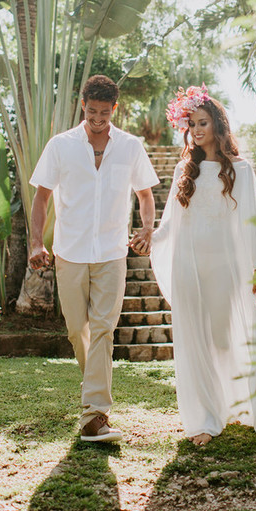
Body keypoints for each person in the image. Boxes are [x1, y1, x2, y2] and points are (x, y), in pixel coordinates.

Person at [149, 85, 256, 446]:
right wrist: (149, 238)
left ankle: (241, 405)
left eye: (203, 123)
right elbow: (169, 222)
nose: (196, 130)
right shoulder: (186, 170)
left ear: (218, 125)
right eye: (191, 124)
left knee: (224, 340)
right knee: (193, 342)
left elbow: (254, 224)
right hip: (188, 266)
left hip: (224, 270)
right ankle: (204, 419)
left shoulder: (241, 172)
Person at [29, 75, 159, 443]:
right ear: (82, 105)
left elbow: (146, 195)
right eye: (92, 111)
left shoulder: (131, 147)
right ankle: (94, 400)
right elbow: (42, 198)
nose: (98, 118)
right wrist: (36, 243)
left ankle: (94, 415)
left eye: (105, 112)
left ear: (114, 109)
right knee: (77, 330)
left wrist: (147, 228)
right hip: (69, 251)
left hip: (112, 252)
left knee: (103, 328)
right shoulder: (61, 146)